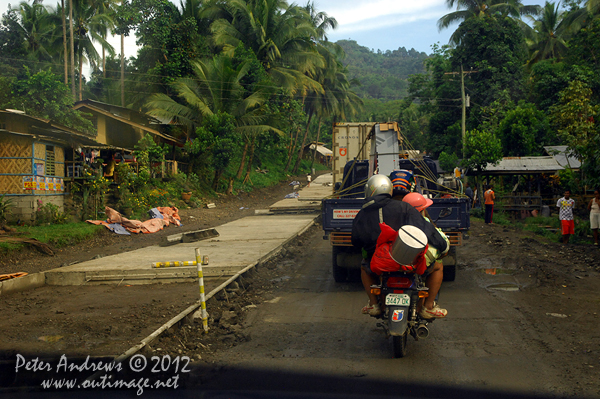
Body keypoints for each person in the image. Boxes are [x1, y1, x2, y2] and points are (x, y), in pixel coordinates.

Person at [351, 175, 449, 317]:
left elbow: (356, 241)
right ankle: (428, 307)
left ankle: (373, 305)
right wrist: (443, 245)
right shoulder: (403, 207)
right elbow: (425, 229)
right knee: (438, 266)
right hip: (409, 261)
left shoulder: (362, 214)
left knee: (364, 266)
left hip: (379, 264)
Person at [402, 192, 450, 318]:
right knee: (438, 266)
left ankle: (380, 304)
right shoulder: (424, 223)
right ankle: (428, 307)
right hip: (416, 266)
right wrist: (444, 251)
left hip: (394, 264)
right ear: (422, 210)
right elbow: (441, 242)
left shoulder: (395, 220)